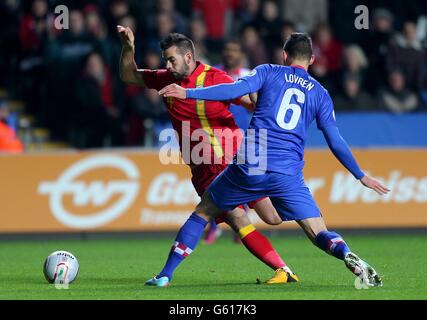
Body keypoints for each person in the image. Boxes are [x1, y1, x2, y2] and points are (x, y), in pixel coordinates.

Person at [159, 33, 390, 287]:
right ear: (312, 59)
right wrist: (360, 175)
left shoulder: (268, 71)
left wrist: (188, 93)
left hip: (252, 161)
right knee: (318, 231)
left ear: (284, 55)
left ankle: (165, 275)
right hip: (288, 172)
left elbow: (234, 89)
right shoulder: (321, 94)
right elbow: (336, 141)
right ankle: (345, 252)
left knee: (203, 212)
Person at [117, 27, 294, 287]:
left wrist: (260, 98)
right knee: (258, 217)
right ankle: (284, 269)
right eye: (165, 59)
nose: (167, 64)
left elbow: (249, 102)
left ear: (189, 57)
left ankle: (166, 274)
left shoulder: (217, 78)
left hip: (233, 159)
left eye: (172, 59)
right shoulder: (166, 79)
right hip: (204, 167)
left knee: (254, 217)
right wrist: (129, 47)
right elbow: (129, 76)